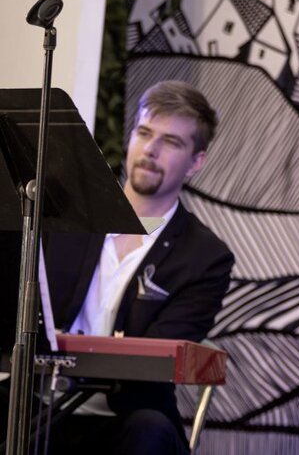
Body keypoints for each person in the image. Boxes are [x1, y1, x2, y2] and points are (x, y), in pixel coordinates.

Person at [33, 80, 233, 454]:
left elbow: (153, 358)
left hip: (125, 417)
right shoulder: (66, 222)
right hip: (42, 407)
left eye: (171, 142)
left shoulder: (205, 257)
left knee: (148, 432)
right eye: (144, 133)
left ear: (196, 162)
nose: (151, 150)